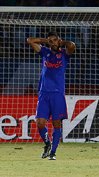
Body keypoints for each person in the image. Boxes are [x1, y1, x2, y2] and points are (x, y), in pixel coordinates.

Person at [27, 32, 76, 160]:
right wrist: (46, 41)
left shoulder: (64, 55)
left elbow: (72, 46)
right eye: (51, 41)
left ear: (59, 40)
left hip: (57, 94)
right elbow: (30, 40)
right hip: (44, 93)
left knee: (56, 124)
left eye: (55, 40)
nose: (53, 42)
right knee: (40, 123)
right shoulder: (44, 52)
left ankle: (53, 153)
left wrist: (62, 42)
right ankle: (47, 144)